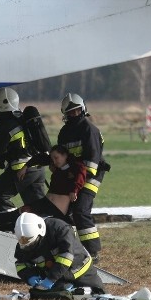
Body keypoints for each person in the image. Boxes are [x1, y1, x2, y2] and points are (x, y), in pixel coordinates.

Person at [57, 92, 108, 261]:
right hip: (74, 177)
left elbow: (92, 161)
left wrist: (76, 187)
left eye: (77, 111)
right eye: (71, 112)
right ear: (65, 114)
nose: (74, 114)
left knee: (80, 210)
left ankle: (92, 252)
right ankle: (69, 246)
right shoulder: (64, 133)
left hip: (91, 175)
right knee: (64, 212)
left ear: (83, 109)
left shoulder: (89, 129)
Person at [0, 88, 46, 217]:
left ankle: (12, 225)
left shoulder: (7, 125)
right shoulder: (20, 118)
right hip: (37, 169)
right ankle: (50, 230)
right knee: (37, 208)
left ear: (3, 104)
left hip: (21, 170)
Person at [13, 213, 104, 298]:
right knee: (54, 296)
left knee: (98, 294)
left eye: (32, 243)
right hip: (55, 277)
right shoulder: (25, 242)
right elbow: (20, 264)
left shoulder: (60, 229)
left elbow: (66, 256)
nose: (29, 246)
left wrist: (51, 279)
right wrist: (30, 276)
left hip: (81, 271)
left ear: (40, 232)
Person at [20, 144, 87, 219]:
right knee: (22, 211)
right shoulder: (57, 165)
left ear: (65, 155)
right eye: (52, 159)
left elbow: (80, 176)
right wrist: (25, 166)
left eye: (56, 158)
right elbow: (39, 158)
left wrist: (75, 190)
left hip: (56, 210)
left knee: (25, 216)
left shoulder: (76, 166)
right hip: (45, 204)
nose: (54, 162)